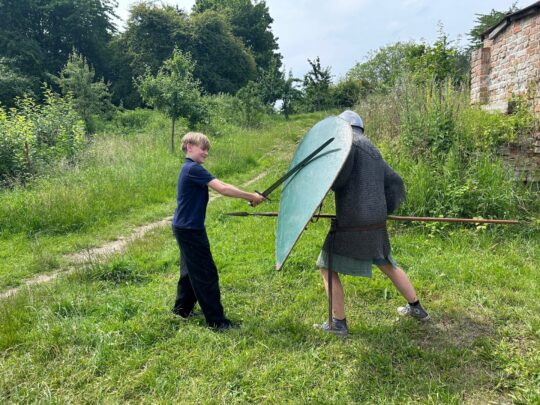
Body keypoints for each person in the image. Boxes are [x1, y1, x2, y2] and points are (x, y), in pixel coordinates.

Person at [314, 111, 429, 337]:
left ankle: (338, 323)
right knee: (387, 263)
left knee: (326, 266)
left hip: (352, 222)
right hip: (376, 220)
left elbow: (338, 179)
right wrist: (385, 209)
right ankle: (417, 309)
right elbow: (394, 181)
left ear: (344, 127)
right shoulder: (373, 149)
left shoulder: (347, 145)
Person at [171, 132, 265, 330]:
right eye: (202, 148)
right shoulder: (193, 169)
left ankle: (182, 310)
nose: (205, 152)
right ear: (189, 146)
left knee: (189, 271)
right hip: (190, 230)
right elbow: (222, 189)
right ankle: (217, 321)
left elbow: (222, 184)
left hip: (184, 227)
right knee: (206, 273)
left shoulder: (191, 169)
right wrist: (251, 196)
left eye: (207, 149)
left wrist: (250, 195)